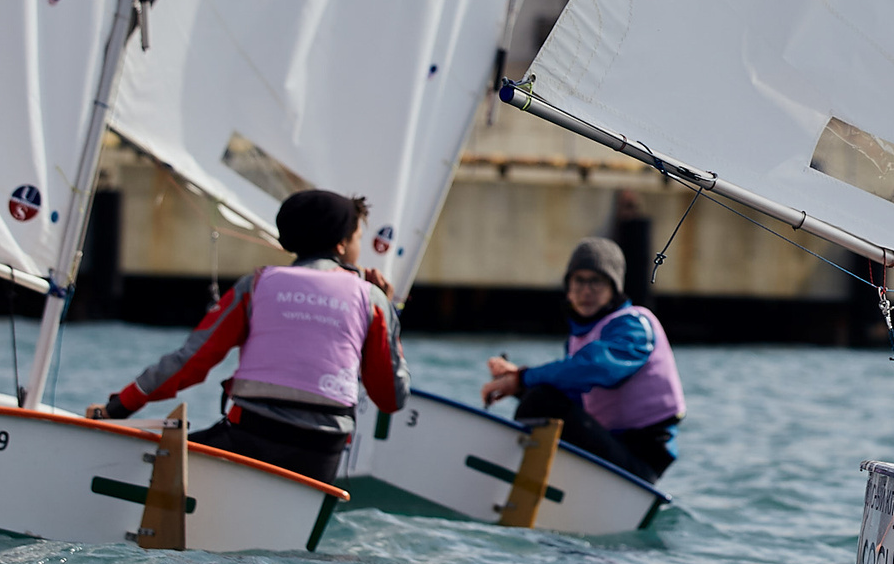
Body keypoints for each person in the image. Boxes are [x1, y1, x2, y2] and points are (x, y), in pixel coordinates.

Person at [88, 188, 408, 486]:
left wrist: (118, 408)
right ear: (341, 244)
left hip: (250, 437)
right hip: (321, 455)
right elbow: (391, 398)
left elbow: (190, 362)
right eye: (358, 239)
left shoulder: (256, 285)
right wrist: (388, 311)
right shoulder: (372, 299)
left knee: (148, 458)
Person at [480, 236, 684, 483]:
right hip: (611, 444)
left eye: (596, 281)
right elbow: (572, 396)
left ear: (614, 288)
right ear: (568, 288)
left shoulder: (634, 324)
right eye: (579, 280)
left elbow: (597, 367)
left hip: (640, 460)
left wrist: (522, 378)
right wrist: (517, 385)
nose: (586, 290)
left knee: (541, 400)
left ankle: (513, 482)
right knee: (540, 396)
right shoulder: (581, 337)